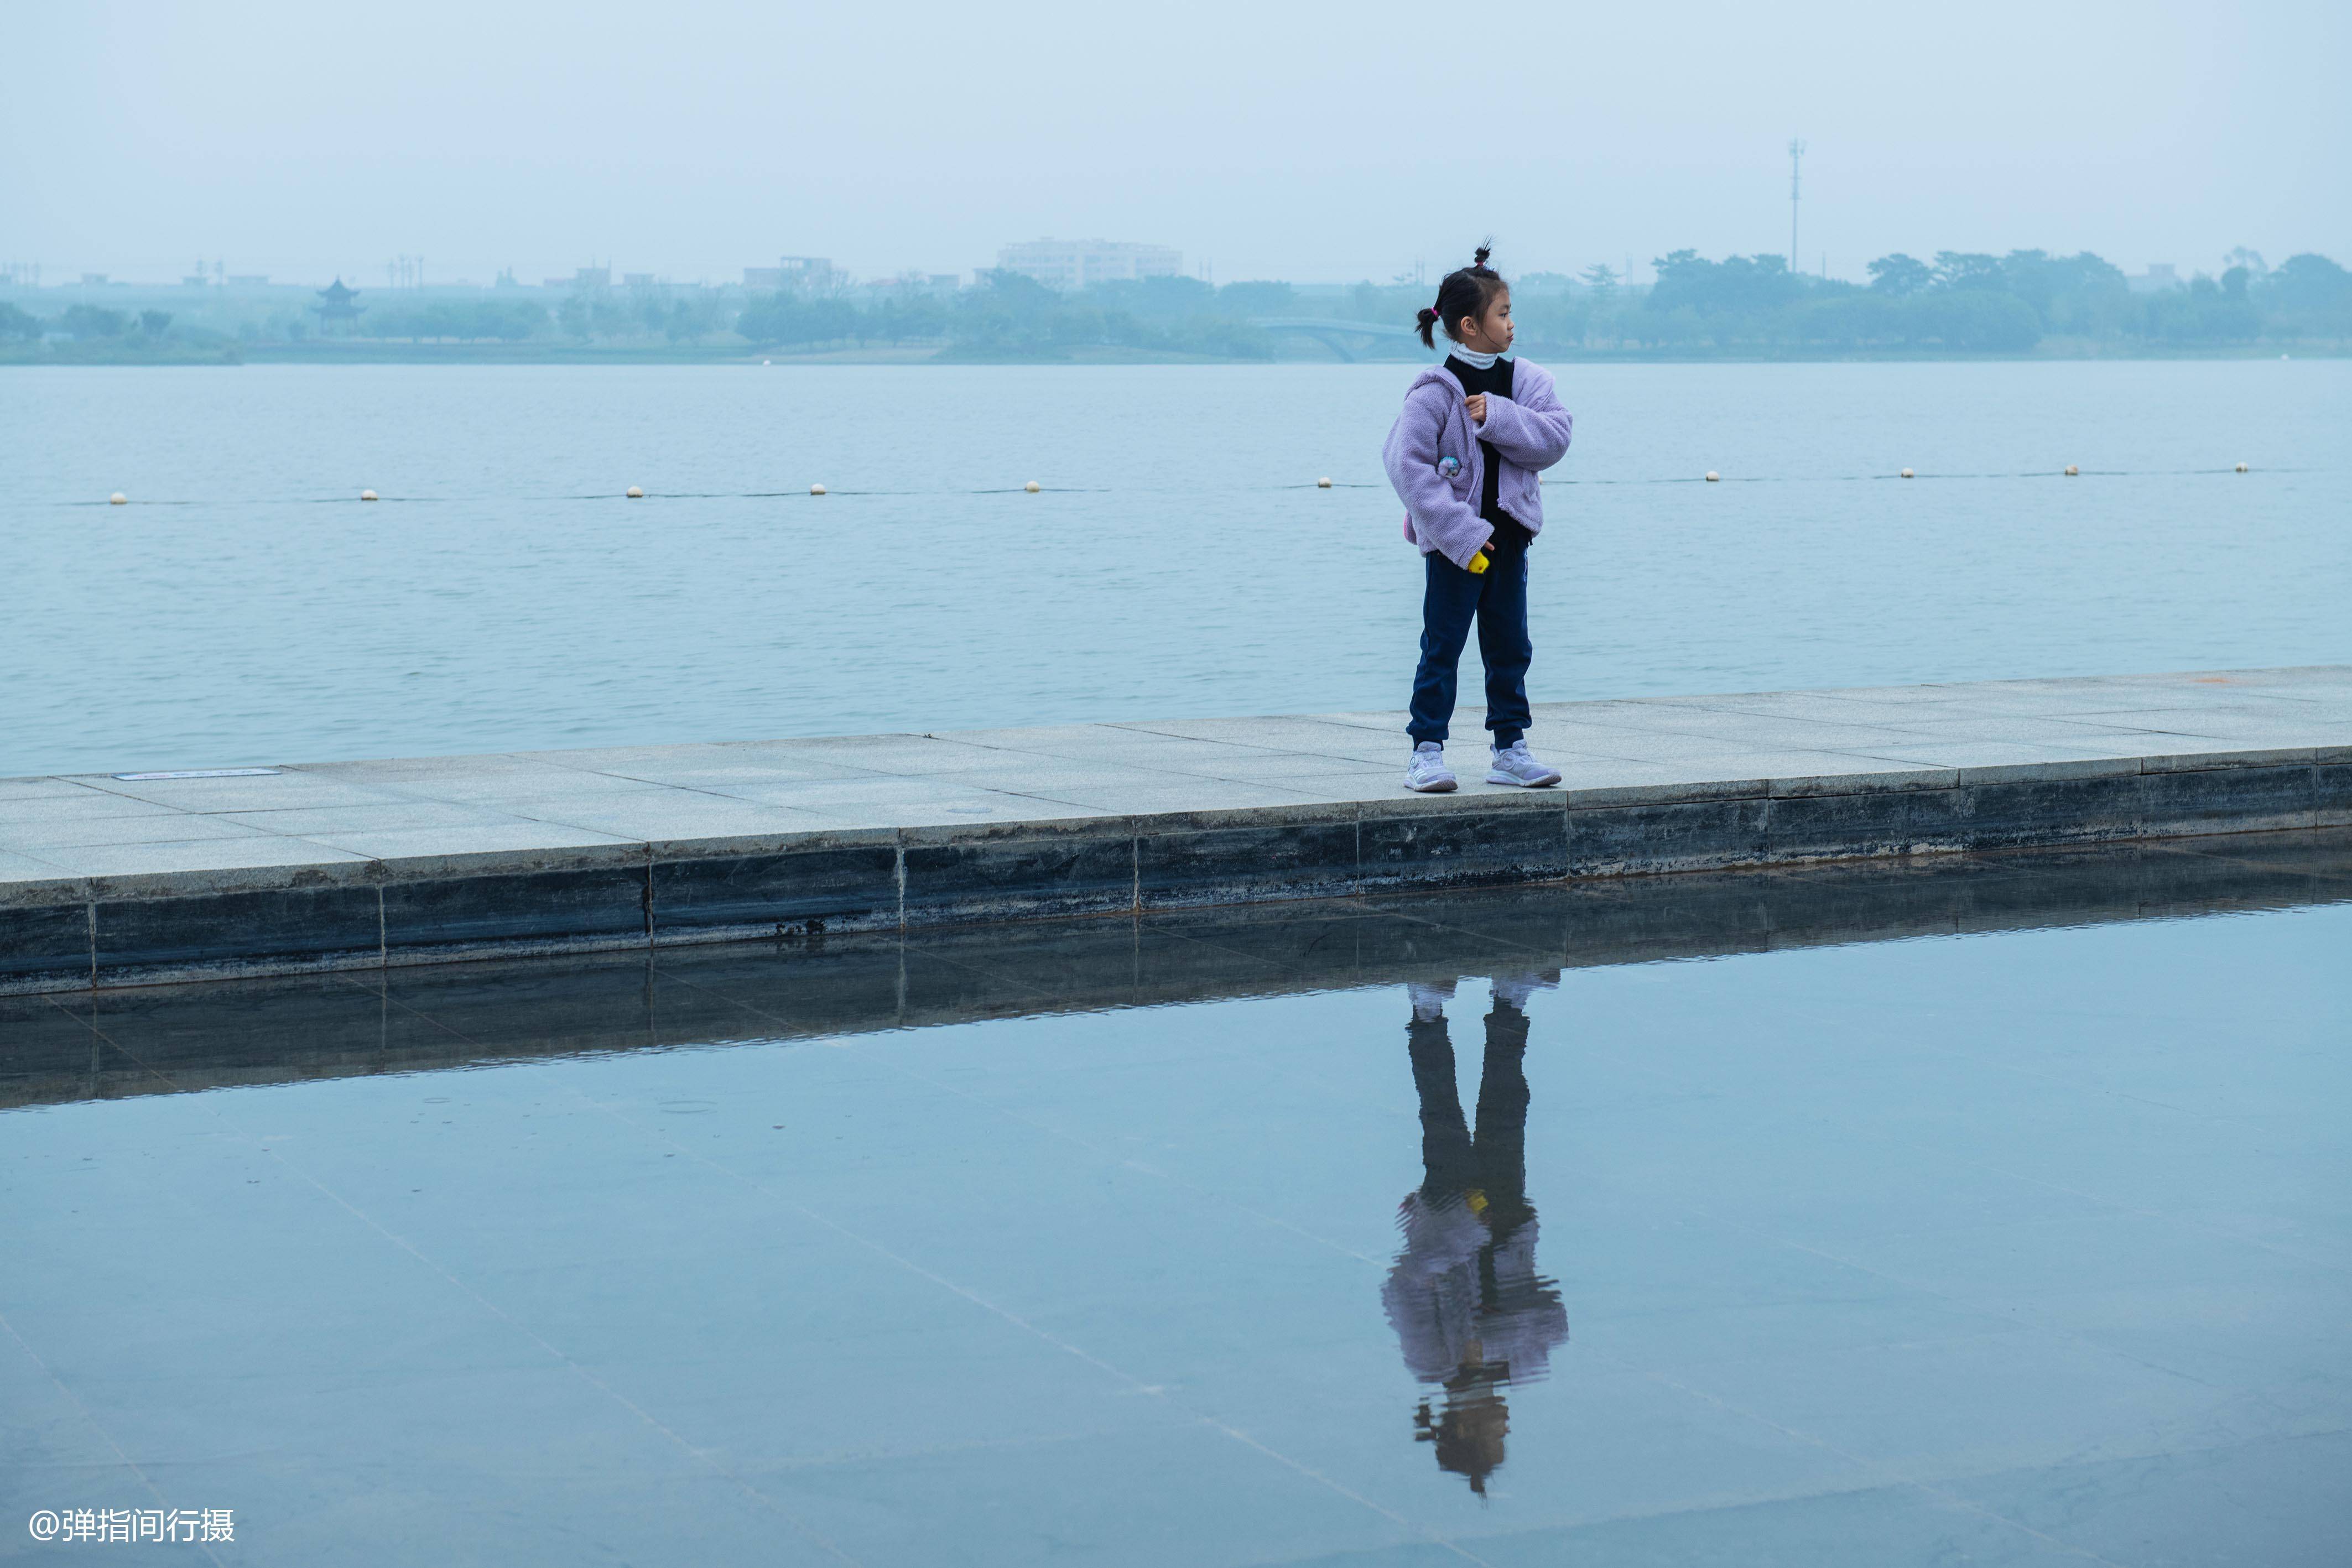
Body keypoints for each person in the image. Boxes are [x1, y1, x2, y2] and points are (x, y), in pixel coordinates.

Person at [1381, 243, 1575, 794]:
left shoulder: (1527, 382)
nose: (1512, 324)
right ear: (1469, 326)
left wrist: (1499, 416)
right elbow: (1406, 466)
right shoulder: (1433, 391)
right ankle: (1425, 751)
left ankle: (1509, 748)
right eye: (1502, 314)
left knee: (1509, 644)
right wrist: (1461, 535)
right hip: (1455, 543)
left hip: (1509, 537)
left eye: (1511, 312)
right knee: (1442, 645)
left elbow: (1555, 438)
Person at [1381, 973, 1569, 1496]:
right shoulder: (1518, 1366)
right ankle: (1510, 999)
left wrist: (1461, 1235)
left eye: (1495, 1432)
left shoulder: (1429, 1360)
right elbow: (1556, 1319)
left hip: (1453, 1214)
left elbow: (1403, 1284)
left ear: (1464, 1425)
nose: (1506, 1422)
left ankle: (1426, 1012)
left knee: (1441, 1113)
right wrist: (1490, 1341)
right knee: (1509, 1107)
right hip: (1507, 1217)